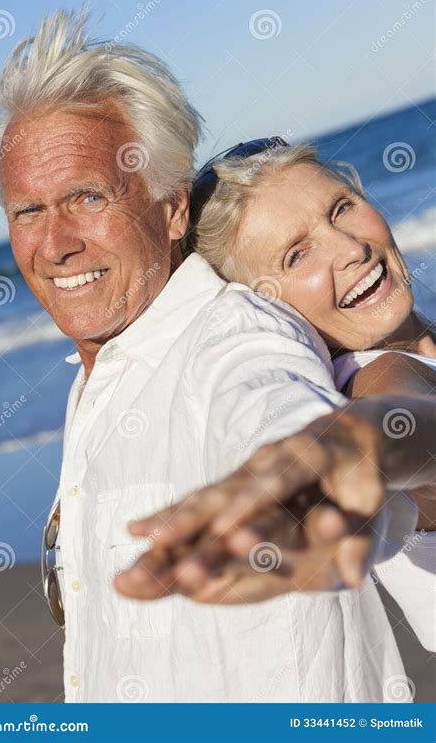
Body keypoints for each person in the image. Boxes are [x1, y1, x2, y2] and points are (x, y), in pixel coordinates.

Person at [0, 9, 434, 702]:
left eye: (86, 197)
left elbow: (301, 409)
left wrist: (339, 463)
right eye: (28, 211)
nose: (55, 243)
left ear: (170, 210)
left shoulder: (236, 341)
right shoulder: (109, 365)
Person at [118, 138, 435, 655]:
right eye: (297, 254)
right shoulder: (377, 378)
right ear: (268, 312)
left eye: (341, 208)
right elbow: (405, 423)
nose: (350, 249)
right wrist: (353, 450)